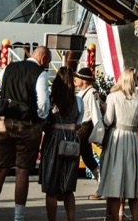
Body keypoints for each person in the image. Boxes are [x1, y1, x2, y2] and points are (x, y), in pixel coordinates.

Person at [0, 45, 53, 221]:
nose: (46, 66)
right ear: (43, 58)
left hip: (4, 123)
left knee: (0, 169)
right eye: (47, 63)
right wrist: (41, 119)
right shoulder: (40, 73)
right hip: (27, 125)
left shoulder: (9, 67)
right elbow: (43, 102)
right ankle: (18, 217)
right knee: (22, 171)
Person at [98, 67, 138, 221]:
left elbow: (108, 120)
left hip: (117, 137)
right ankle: (135, 218)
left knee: (115, 182)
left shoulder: (113, 96)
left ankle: (113, 217)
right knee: (132, 182)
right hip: (132, 138)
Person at [39, 66, 82, 221]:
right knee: (68, 187)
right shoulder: (78, 101)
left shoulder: (51, 100)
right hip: (71, 140)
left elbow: (43, 120)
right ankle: (71, 219)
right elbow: (79, 122)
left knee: (51, 186)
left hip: (53, 140)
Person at [75, 67, 102, 186]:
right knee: (88, 158)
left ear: (85, 81)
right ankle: (102, 184)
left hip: (84, 129)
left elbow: (96, 114)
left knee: (74, 156)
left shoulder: (91, 93)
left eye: (78, 77)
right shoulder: (81, 92)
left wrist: (99, 133)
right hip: (81, 128)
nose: (76, 79)